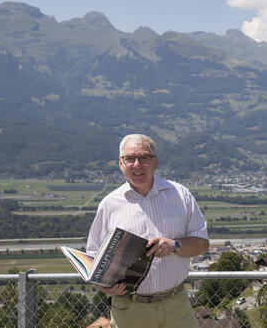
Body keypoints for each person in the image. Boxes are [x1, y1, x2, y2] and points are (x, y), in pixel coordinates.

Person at [86, 134, 209, 328]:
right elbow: (92, 256)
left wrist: (174, 245)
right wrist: (102, 285)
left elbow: (202, 244)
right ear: (120, 163)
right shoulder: (109, 205)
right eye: (130, 158)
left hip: (176, 305)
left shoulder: (180, 195)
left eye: (144, 158)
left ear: (155, 162)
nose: (137, 164)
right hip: (129, 310)